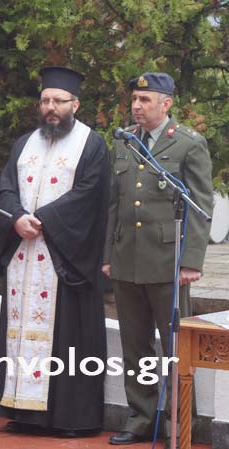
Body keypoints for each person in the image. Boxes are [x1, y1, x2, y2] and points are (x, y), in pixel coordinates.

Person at [0, 67, 110, 437]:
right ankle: (22, 411)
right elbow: (5, 187)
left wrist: (40, 219)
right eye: (45, 100)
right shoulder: (24, 143)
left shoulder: (93, 144)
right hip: (24, 255)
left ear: (75, 104)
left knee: (67, 337)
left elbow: (90, 196)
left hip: (65, 257)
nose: (51, 108)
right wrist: (14, 218)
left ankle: (69, 418)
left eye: (59, 101)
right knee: (21, 332)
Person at [103, 72, 213, 446]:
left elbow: (201, 204)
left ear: (166, 104)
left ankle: (181, 420)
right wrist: (108, 256)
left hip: (168, 259)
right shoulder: (124, 140)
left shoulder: (188, 144)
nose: (137, 106)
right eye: (135, 99)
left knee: (175, 346)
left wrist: (192, 260)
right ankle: (140, 418)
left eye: (145, 100)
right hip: (127, 257)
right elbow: (115, 203)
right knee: (136, 346)